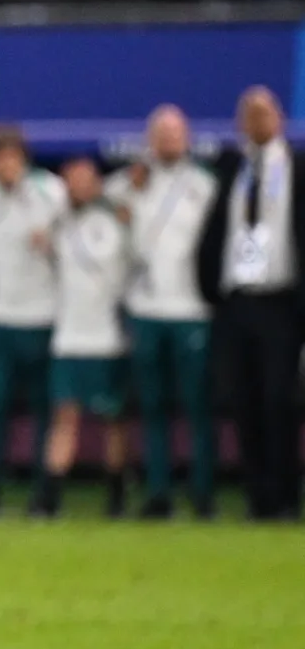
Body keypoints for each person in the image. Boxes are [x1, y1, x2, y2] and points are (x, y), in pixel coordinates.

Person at [196, 86, 303, 520]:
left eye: (264, 113)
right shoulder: (230, 169)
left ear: (278, 118)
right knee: (244, 402)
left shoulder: (296, 167)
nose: (257, 122)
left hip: (281, 301)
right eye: (249, 115)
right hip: (238, 302)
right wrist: (212, 293)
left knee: (280, 401)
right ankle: (257, 497)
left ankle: (285, 496)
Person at [106, 104, 215, 518]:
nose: (169, 140)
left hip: (192, 310)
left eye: (175, 133)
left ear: (186, 138)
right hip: (146, 310)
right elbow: (101, 201)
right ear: (149, 139)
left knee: (197, 408)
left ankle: (202, 494)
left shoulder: (205, 186)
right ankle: (158, 493)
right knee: (152, 408)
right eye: (161, 133)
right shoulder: (131, 183)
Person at [0, 126, 66, 514]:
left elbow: (81, 236)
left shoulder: (51, 193)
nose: (5, 166)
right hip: (0, 319)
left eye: (11, 157)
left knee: (45, 412)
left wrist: (54, 244)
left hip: (44, 319)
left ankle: (44, 493)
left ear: (24, 159)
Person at [34, 155, 133, 518]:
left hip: (107, 338)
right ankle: (49, 498)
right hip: (68, 338)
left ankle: (117, 497)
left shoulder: (116, 223)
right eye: (70, 182)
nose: (77, 188)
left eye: (84, 181)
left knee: (113, 419)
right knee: (65, 417)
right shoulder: (57, 226)